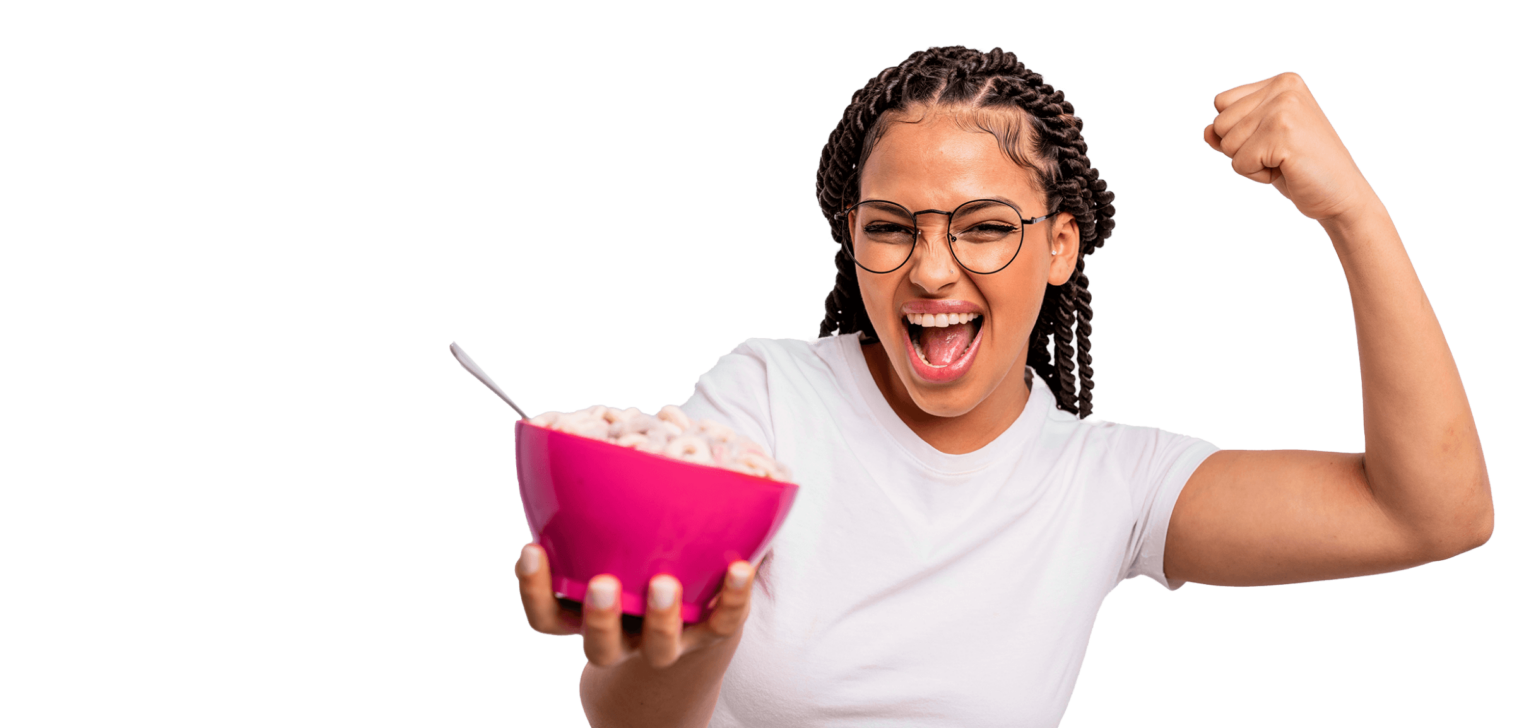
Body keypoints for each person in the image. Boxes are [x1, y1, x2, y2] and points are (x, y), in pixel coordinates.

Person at [512, 45, 1494, 727]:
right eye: (891, 227)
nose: (932, 272)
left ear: (1060, 244)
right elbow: (629, 713)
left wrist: (1354, 212)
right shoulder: (767, 397)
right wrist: (671, 643)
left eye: (983, 225)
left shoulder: (1109, 482)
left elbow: (1431, 513)